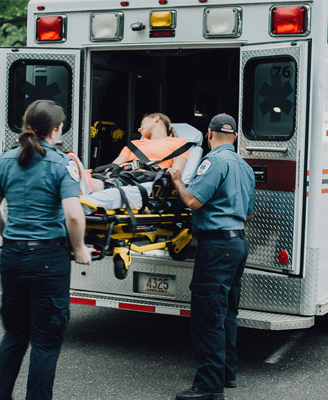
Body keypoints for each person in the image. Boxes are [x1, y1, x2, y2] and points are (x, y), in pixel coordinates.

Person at [0, 99, 91, 400]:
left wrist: (10, 236)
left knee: (14, 336)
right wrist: (80, 248)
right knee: (45, 342)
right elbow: (73, 214)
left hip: (13, 256)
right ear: (55, 130)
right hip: (47, 259)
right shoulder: (62, 163)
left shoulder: (5, 160)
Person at [168, 113, 255, 400]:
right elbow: (250, 212)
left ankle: (209, 386)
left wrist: (179, 180)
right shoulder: (245, 167)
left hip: (216, 247)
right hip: (238, 244)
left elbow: (193, 200)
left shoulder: (214, 161)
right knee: (228, 312)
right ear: (235, 137)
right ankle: (226, 372)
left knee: (208, 316)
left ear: (209, 134)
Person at [91, 112, 190, 191]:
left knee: (91, 184)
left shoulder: (179, 143)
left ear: (156, 118)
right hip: (120, 175)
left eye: (142, 124)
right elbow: (113, 167)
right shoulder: (133, 145)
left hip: (141, 179)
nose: (139, 129)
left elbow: (176, 172)